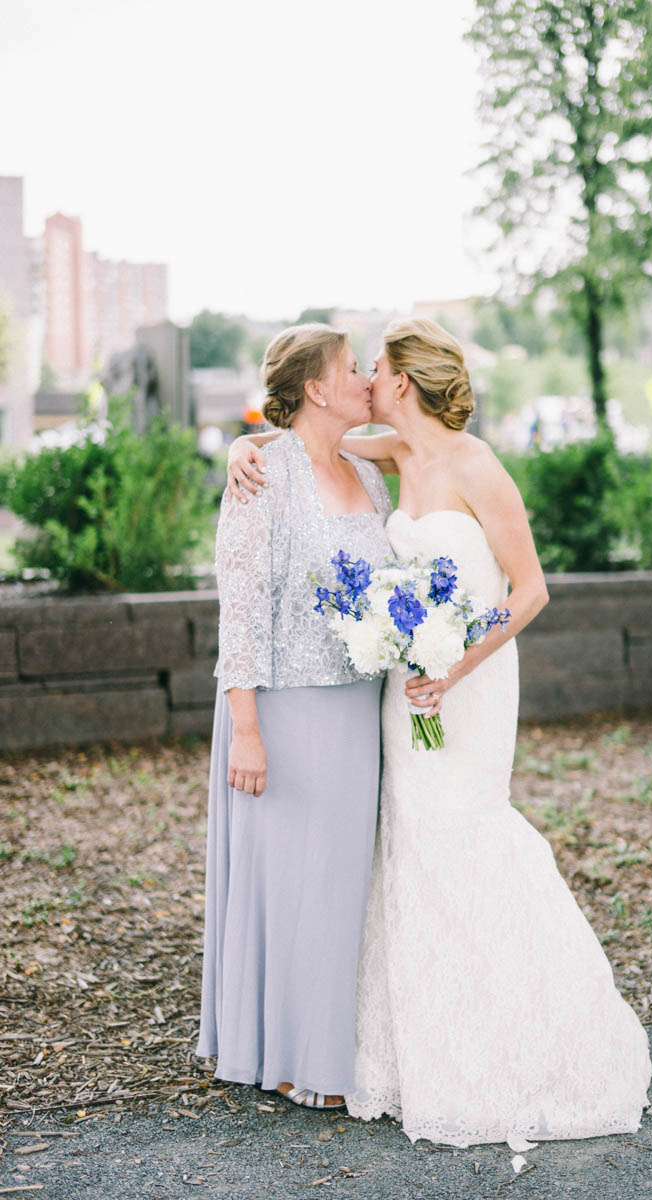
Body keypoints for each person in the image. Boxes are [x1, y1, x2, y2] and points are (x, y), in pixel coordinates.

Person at [227, 317, 652, 1147]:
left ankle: (531, 1032)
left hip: (469, 683)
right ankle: (422, 1045)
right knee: (410, 842)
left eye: (377, 367)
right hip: (405, 686)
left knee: (468, 833)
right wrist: (239, 453)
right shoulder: (389, 453)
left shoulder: (477, 464)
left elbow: (529, 591)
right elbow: (304, 449)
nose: (367, 377)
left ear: (406, 382)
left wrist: (455, 666)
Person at [197, 324, 394, 1111]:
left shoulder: (368, 476)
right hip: (280, 710)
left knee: (341, 884)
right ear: (316, 387)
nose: (366, 377)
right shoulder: (261, 475)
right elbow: (237, 609)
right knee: (291, 884)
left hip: (357, 709)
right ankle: (284, 1052)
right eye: (353, 368)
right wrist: (245, 728)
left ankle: (330, 1042)